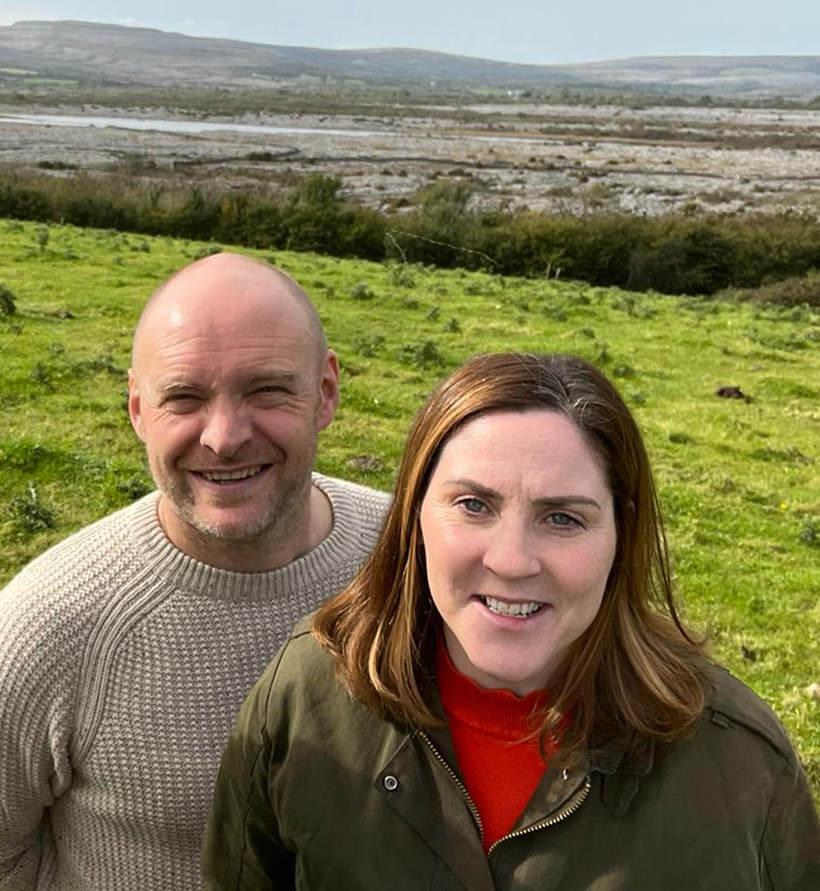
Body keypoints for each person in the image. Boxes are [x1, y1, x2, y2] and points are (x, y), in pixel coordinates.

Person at [204, 351, 820, 890]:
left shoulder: (740, 762)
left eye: (563, 518)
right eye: (474, 505)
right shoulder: (304, 695)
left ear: (621, 533)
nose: (511, 560)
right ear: (414, 515)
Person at [0, 253, 390, 891]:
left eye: (266, 390)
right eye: (184, 397)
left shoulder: (414, 558)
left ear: (325, 392)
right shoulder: (46, 627)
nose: (224, 437)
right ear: (137, 409)